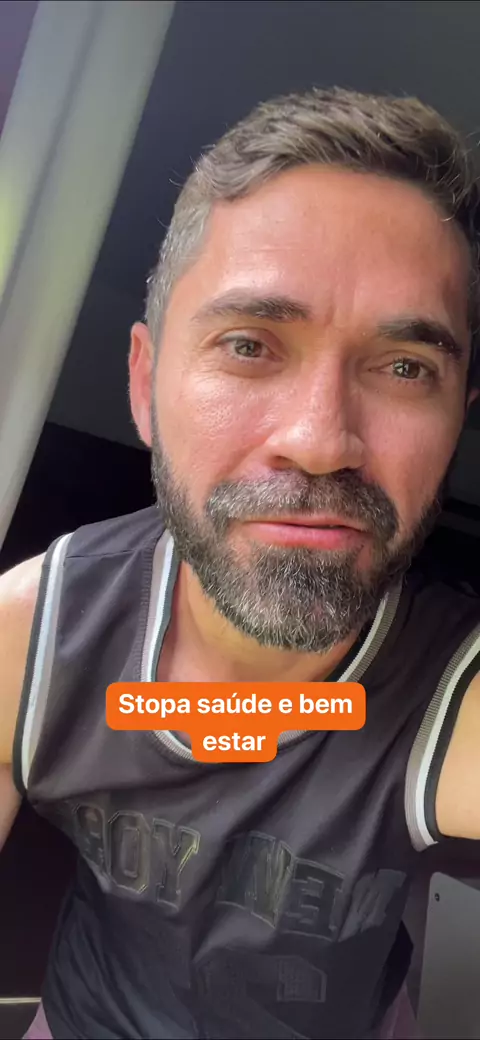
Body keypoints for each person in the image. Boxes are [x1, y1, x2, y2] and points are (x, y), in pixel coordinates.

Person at [1, 86, 480, 1040]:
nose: (321, 441)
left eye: (404, 367)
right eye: (250, 344)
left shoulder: (453, 694)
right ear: (145, 383)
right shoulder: (28, 640)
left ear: (459, 416)